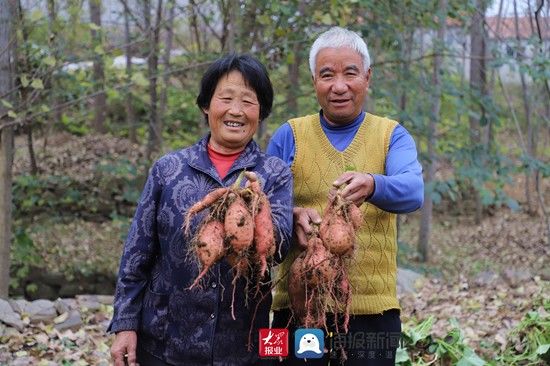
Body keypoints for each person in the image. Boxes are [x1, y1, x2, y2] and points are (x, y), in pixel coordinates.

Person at [108, 54, 293, 366]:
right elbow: (137, 253)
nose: (236, 110)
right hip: (165, 342)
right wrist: (125, 324)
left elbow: (278, 248)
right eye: (226, 98)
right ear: (207, 105)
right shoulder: (168, 170)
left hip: (245, 347)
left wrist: (253, 204)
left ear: (261, 112)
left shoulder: (273, 173)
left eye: (249, 101)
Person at [267, 27, 424, 365]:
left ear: (367, 77)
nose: (339, 86)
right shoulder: (288, 135)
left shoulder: (391, 135)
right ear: (313, 82)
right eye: (327, 75)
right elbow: (264, 207)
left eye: (350, 73)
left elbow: (413, 190)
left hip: (371, 313)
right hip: (293, 308)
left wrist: (373, 184)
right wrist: (291, 214)